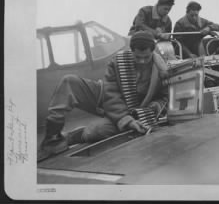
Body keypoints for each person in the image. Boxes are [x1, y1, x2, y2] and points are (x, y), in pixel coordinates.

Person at [38, 31, 169, 161]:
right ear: (131, 51)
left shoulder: (163, 69)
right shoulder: (119, 61)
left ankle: (69, 138)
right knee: (69, 82)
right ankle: (52, 140)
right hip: (107, 99)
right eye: (137, 57)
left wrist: (146, 111)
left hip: (133, 110)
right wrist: (125, 120)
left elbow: (164, 97)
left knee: (95, 131)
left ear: (153, 51)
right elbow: (111, 93)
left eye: (146, 57)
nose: (141, 61)